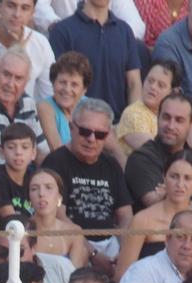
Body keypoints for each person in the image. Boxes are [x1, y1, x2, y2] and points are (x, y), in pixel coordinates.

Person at [40, 98, 132, 263]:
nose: (91, 139)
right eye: (85, 131)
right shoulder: (55, 163)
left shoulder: (112, 165)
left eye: (100, 134)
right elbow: (59, 217)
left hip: (110, 245)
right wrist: (93, 254)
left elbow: (125, 216)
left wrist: (124, 253)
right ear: (71, 128)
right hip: (69, 246)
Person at [123, 92, 192, 217]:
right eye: (166, 117)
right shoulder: (141, 158)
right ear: (158, 117)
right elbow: (156, 206)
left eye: (179, 120)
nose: (171, 126)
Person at [118, 151, 192, 276]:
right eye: (174, 176)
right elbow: (122, 275)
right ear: (164, 177)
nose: (180, 184)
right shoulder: (142, 220)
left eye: (187, 178)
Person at [47, 0, 141, 120]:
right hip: (78, 127)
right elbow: (56, 84)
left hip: (117, 127)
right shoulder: (62, 31)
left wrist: (131, 123)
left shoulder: (125, 32)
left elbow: (134, 83)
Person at [115, 60, 181, 157]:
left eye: (161, 85)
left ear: (173, 92)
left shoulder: (171, 114)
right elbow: (156, 153)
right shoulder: (134, 113)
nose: (153, 87)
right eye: (150, 81)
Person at [27, 168, 88, 268]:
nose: (41, 193)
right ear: (29, 198)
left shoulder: (74, 232)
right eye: (34, 189)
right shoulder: (22, 231)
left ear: (59, 197)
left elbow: (74, 276)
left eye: (48, 187)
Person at [36, 51, 91, 152]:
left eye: (74, 84)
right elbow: (57, 150)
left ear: (84, 90)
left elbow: (114, 148)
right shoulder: (45, 107)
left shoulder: (90, 106)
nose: (67, 89)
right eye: (62, 82)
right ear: (53, 83)